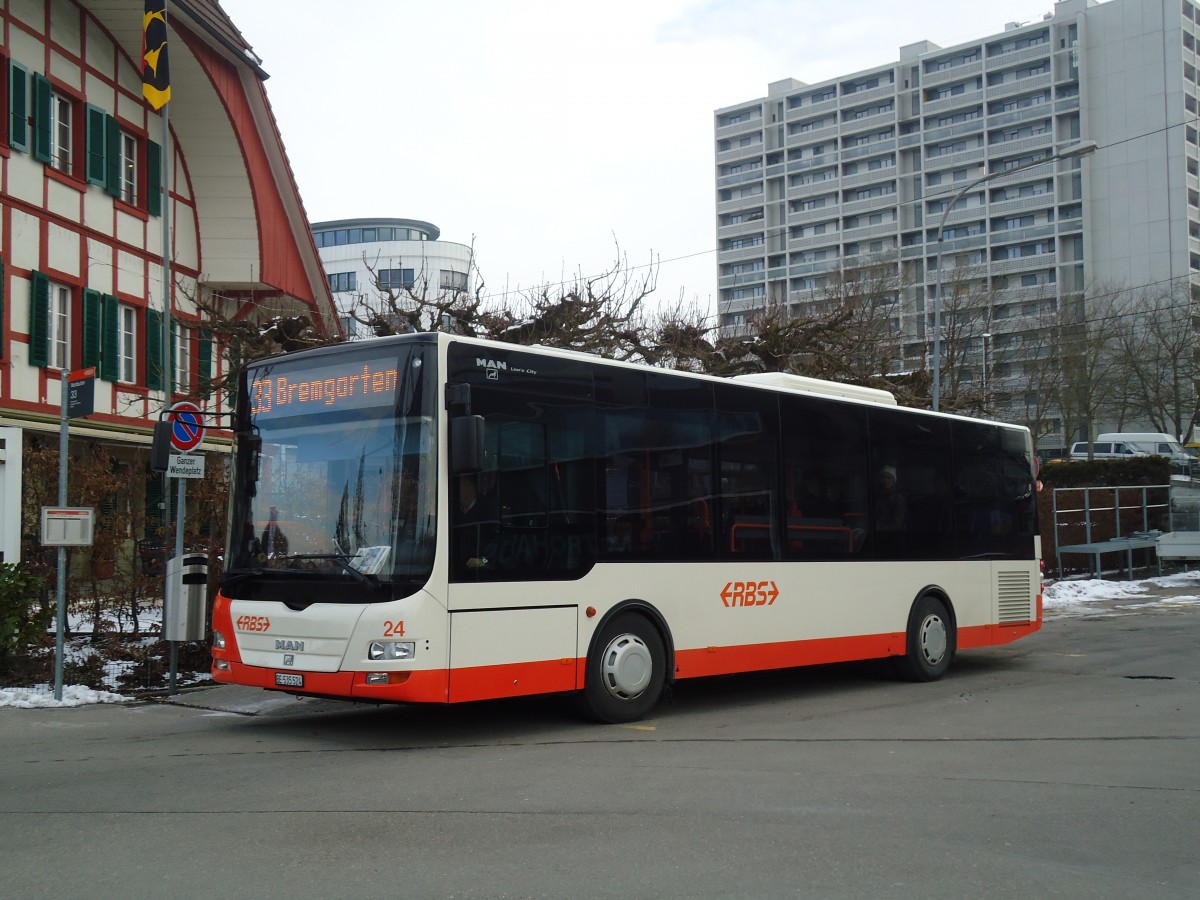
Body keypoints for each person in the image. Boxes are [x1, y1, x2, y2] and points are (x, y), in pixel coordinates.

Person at [875, 465, 907, 532]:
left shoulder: (898, 499)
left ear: (894, 480)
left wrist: (877, 529)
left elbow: (897, 525)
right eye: (883, 477)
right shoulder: (878, 496)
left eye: (889, 478)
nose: (885, 480)